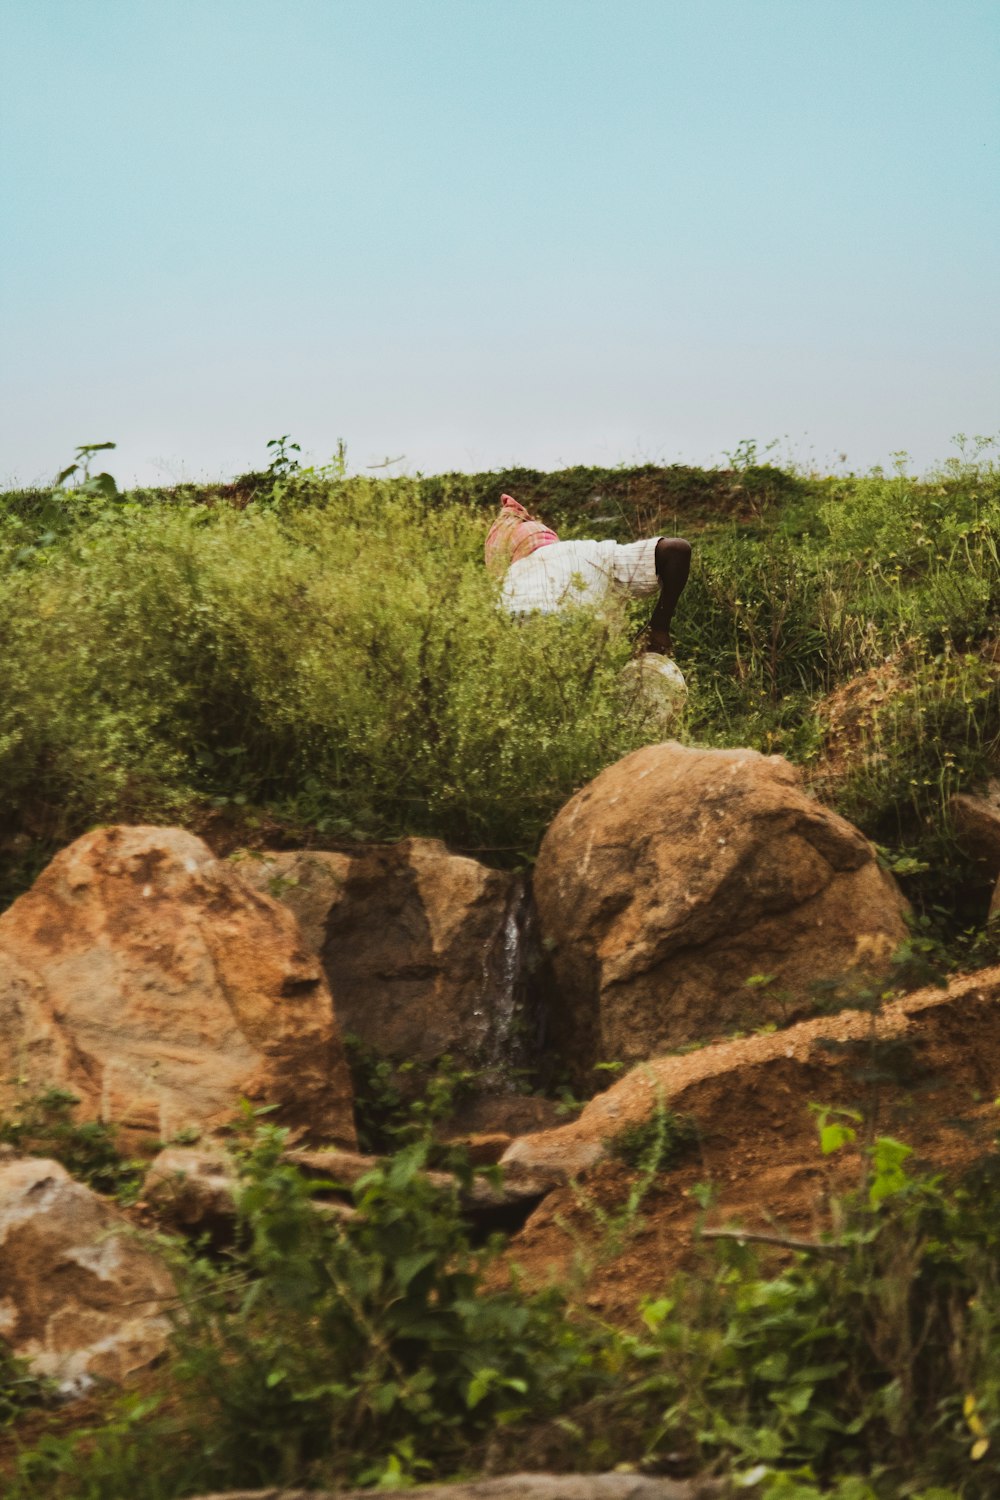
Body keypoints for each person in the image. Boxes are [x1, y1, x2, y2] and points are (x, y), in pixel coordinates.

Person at [485, 493, 691, 654]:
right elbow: (677, 550)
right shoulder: (591, 552)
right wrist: (659, 628)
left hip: (533, 652)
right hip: (586, 641)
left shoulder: (507, 584)